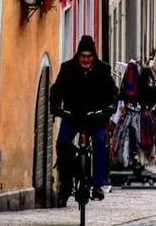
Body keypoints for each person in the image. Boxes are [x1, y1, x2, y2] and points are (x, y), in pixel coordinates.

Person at [50, 35, 119, 203]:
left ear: (94, 56)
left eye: (89, 57)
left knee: (100, 141)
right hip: (73, 116)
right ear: (78, 55)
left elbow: (113, 92)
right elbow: (57, 91)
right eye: (83, 56)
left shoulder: (103, 70)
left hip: (96, 117)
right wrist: (56, 107)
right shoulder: (67, 69)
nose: (86, 60)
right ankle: (66, 183)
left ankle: (96, 186)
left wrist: (111, 107)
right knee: (62, 143)